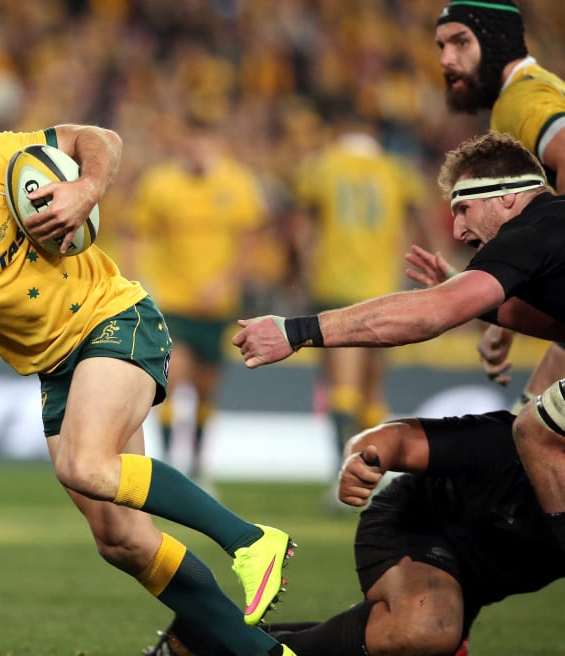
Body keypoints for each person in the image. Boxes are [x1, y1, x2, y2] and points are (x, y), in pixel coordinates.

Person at [0, 92, 297, 656]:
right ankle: (264, 653)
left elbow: (100, 140)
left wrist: (86, 188)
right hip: (55, 369)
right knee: (121, 540)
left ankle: (250, 540)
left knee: (84, 463)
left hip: (112, 318)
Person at [235, 130, 565, 547]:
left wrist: (296, 330)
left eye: (464, 209)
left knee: (534, 428)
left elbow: (429, 316)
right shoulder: (550, 225)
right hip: (371, 280)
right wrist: (472, 299)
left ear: (507, 197)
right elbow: (557, 327)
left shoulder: (526, 235)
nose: (459, 230)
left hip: (336, 283)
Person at [144, 407, 561, 656]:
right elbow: (394, 438)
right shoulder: (510, 440)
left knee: (419, 635)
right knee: (423, 629)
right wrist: (363, 459)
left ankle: (209, 637)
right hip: (417, 527)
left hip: (480, 576)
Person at [434, 0, 565, 553]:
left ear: (499, 40)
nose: (447, 58)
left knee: (527, 442)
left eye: (461, 42)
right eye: (441, 45)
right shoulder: (533, 93)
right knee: (529, 438)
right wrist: (506, 309)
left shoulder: (524, 98)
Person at [287, 105, 429, 507]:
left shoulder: (323, 166)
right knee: (373, 388)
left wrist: (303, 269)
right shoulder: (395, 170)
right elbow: (415, 226)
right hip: (384, 288)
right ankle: (375, 475)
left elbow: (302, 228)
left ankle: (344, 474)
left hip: (335, 286)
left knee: (341, 386)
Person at [128, 115, 268, 484]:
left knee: (207, 390)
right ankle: (173, 465)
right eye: (192, 143)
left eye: (205, 142)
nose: (198, 150)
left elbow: (249, 242)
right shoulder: (160, 184)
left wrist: (225, 281)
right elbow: (139, 234)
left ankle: (199, 465)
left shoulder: (237, 184)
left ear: (217, 144)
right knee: (174, 381)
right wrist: (141, 279)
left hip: (218, 307)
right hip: (172, 303)